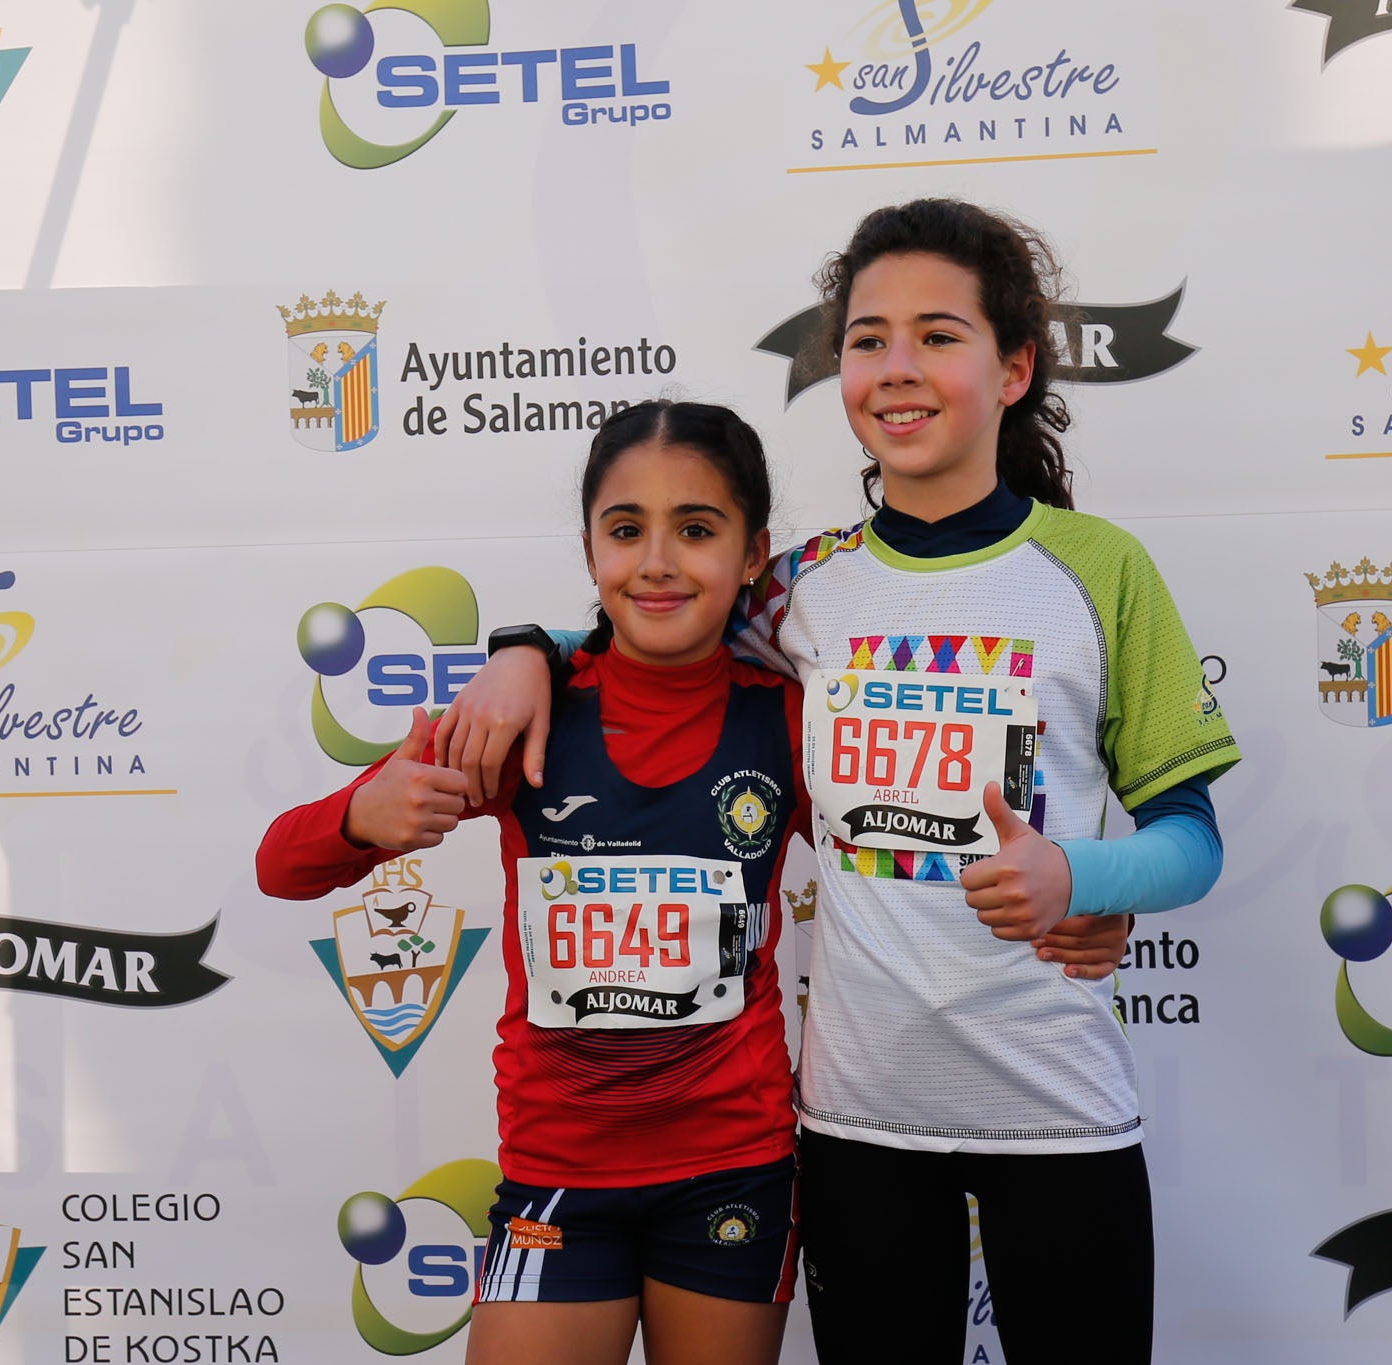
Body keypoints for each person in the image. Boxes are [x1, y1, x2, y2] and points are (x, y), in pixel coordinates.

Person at [433, 200, 1241, 1363]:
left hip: (1057, 1114)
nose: (895, 370)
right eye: (867, 339)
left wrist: (1081, 873)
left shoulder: (1094, 569)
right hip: (858, 1129)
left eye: (937, 336)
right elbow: (654, 616)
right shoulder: (805, 587)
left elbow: (1191, 840)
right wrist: (526, 649)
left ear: (1012, 368)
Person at [258, 401, 801, 1365]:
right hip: (559, 1174)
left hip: (733, 1165)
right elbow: (279, 865)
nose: (659, 562)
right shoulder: (520, 713)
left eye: (698, 529)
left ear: (754, 551)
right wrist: (357, 818)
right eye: (626, 529)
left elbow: (912, 868)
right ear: (591, 548)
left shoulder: (790, 720)